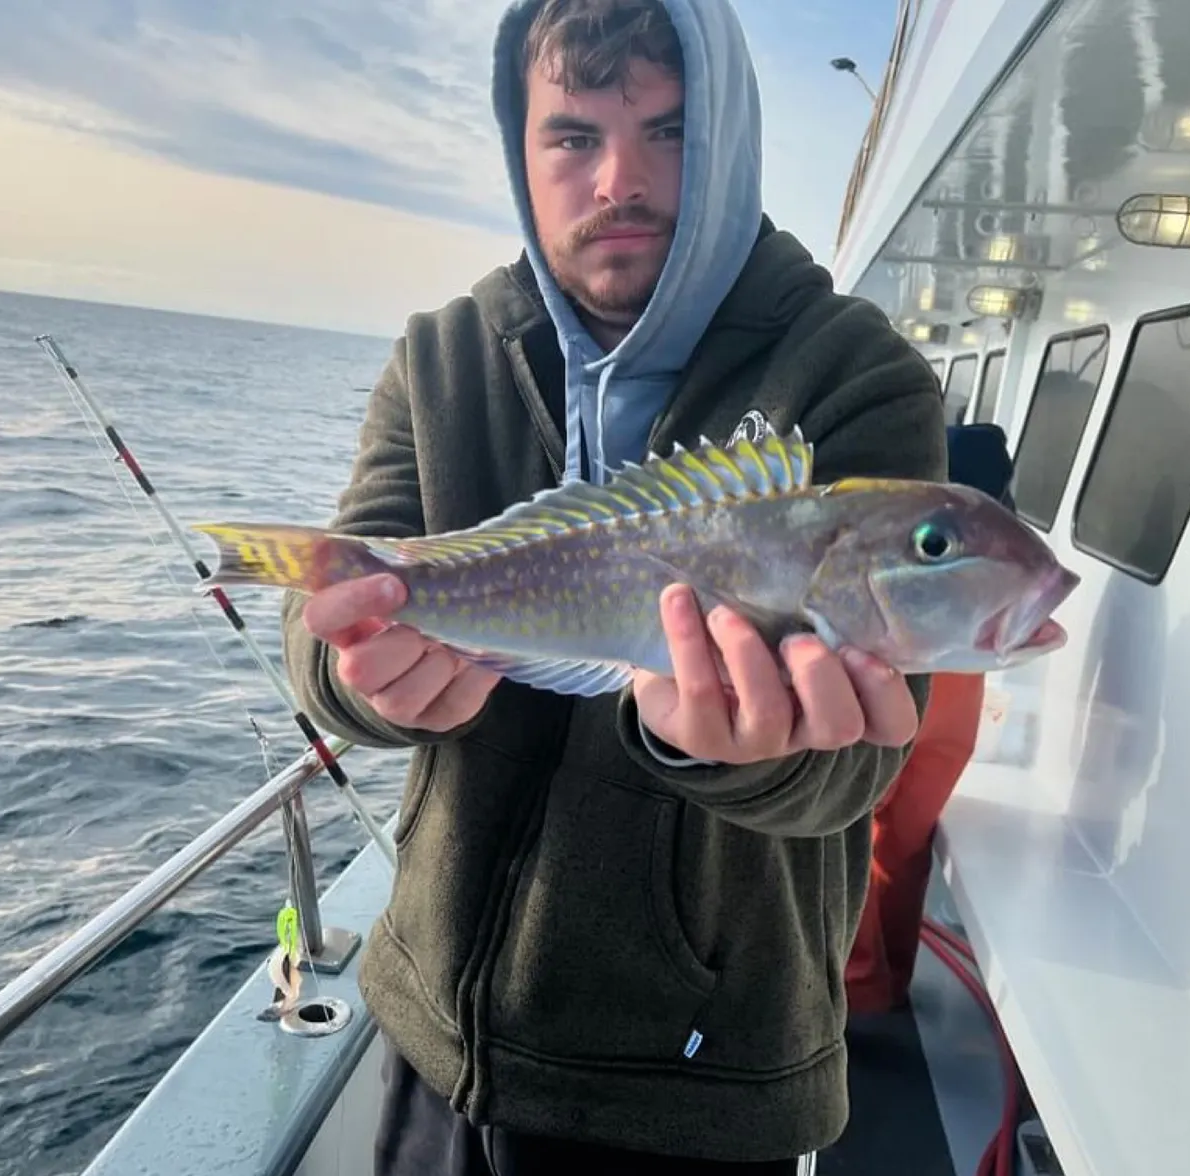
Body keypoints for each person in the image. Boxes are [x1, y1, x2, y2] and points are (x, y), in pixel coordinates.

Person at [278, 0, 946, 1170]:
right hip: (433, 1032)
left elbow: (859, 756)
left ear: (732, 131)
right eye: (575, 137)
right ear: (519, 148)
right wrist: (352, 671)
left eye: (670, 130)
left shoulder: (851, 371)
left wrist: (738, 744)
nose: (619, 180)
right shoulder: (441, 354)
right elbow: (341, 589)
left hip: (696, 1082)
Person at [843, 422, 1018, 1015]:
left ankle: (858, 988)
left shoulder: (935, 512)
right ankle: (892, 978)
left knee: (856, 830)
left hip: (916, 673)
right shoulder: (999, 529)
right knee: (907, 844)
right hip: (964, 687)